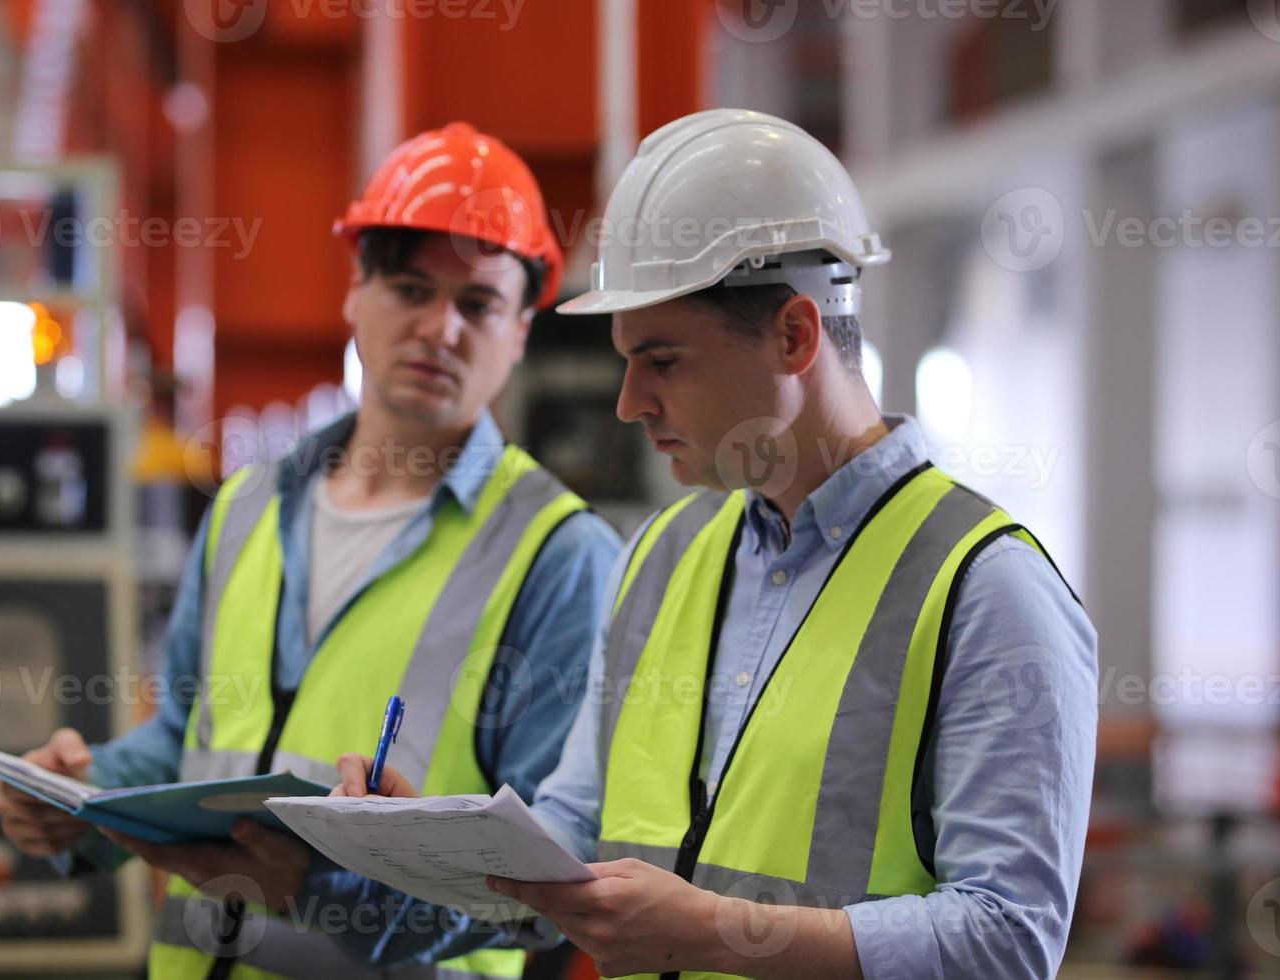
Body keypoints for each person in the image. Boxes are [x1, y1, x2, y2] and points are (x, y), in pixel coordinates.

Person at [334, 109, 1098, 980]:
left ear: (795, 336)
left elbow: (1009, 937)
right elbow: (575, 830)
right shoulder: (660, 558)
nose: (628, 402)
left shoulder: (986, 587)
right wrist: (434, 846)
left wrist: (713, 933)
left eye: (662, 359)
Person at [0, 122, 620, 980]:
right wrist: (83, 797)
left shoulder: (560, 555)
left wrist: (316, 890)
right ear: (354, 293)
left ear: (519, 331)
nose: (441, 329)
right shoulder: (247, 507)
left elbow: (544, 877)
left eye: (477, 305)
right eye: (409, 289)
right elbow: (187, 735)